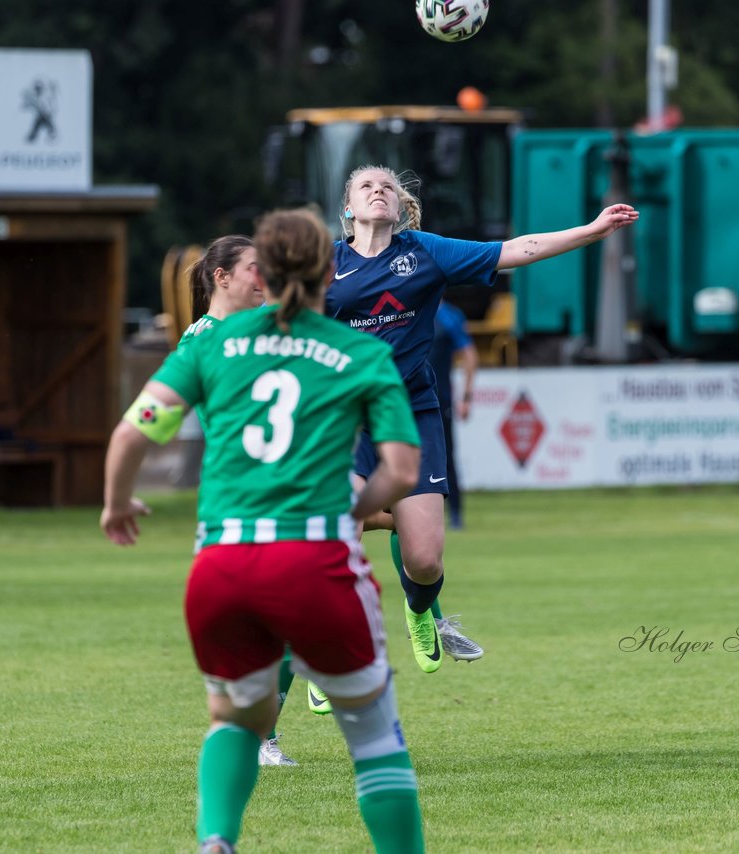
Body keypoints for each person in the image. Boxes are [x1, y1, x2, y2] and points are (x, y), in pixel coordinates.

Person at [101, 209, 426, 854]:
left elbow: (133, 432)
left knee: (233, 719)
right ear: (331, 269)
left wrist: (116, 503)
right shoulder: (357, 351)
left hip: (221, 565)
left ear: (265, 273)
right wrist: (358, 508)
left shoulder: (212, 344)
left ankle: (217, 838)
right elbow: (401, 470)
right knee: (372, 733)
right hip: (313, 561)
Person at [325, 164, 638, 673]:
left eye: (387, 187)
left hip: (410, 417)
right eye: (366, 186)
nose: (378, 191)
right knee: (335, 545)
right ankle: (329, 659)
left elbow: (520, 249)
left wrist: (592, 230)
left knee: (425, 563)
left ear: (401, 208)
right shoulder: (325, 264)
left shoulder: (424, 252)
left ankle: (420, 609)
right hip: (343, 421)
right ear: (348, 209)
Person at [179, 235, 298, 767]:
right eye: (254, 270)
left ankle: (261, 734)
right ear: (221, 277)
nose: (263, 281)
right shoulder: (201, 340)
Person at [431, 298, 477, 530]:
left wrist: (467, 396)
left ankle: (456, 514)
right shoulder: (403, 306)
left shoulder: (448, 315)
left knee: (446, 458)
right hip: (402, 400)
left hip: (441, 400)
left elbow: (469, 354)